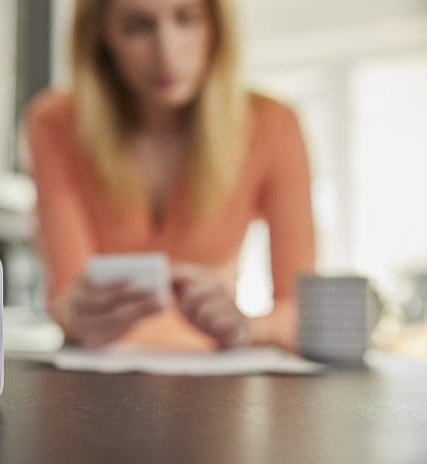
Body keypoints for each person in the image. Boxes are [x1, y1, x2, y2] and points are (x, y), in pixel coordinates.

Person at [26, 0, 315, 352]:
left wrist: (247, 328)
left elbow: (300, 310)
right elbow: (65, 295)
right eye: (137, 27)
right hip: (98, 374)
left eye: (187, 19)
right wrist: (77, 311)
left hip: (217, 373)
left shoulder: (274, 125)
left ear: (216, 28)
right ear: (101, 38)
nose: (167, 53)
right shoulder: (54, 124)